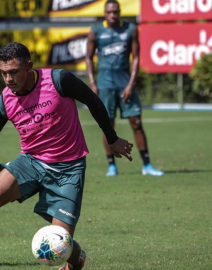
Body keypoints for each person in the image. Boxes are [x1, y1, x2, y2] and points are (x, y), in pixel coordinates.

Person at [0, 42, 134, 270]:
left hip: (68, 169)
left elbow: (92, 100)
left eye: (13, 72)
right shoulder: (3, 102)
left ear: (29, 66)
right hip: (31, 161)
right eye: (3, 73)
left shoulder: (60, 80)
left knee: (60, 244)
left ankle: (76, 257)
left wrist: (112, 138)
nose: (8, 79)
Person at [85, 0, 164, 177]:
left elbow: (136, 57)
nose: (113, 15)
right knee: (108, 126)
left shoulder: (130, 29)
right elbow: (88, 58)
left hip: (125, 86)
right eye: (109, 12)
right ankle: (111, 165)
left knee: (136, 123)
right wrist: (92, 82)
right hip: (105, 86)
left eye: (115, 12)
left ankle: (147, 165)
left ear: (120, 12)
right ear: (105, 13)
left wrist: (131, 83)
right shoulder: (95, 31)